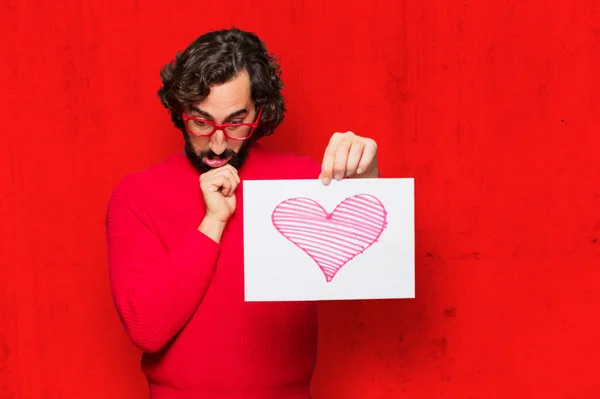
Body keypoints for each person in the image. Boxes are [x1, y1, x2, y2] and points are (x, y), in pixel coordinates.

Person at [105, 27, 380, 399]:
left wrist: (368, 178)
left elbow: (372, 266)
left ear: (259, 111)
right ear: (181, 110)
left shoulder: (301, 182)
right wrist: (212, 223)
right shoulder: (137, 195)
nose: (218, 143)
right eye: (201, 121)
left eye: (235, 122)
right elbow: (146, 329)